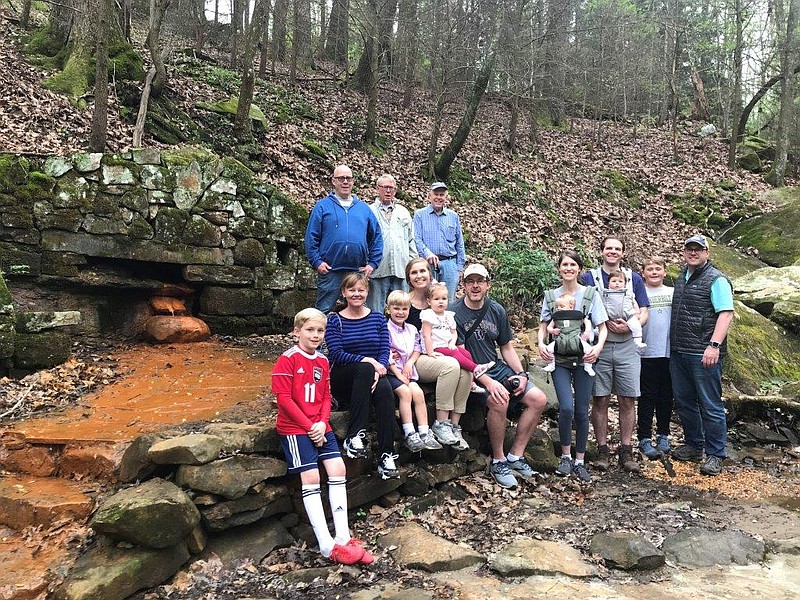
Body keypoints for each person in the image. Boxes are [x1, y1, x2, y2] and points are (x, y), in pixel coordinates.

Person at [272, 308, 375, 565]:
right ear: (297, 332)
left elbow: (326, 397)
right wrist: (309, 426)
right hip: (296, 428)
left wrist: (321, 422)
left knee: (338, 467)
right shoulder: (287, 359)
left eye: (320, 330)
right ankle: (326, 545)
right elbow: (284, 400)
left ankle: (342, 536)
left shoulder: (322, 361)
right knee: (311, 476)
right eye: (310, 330)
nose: (316, 335)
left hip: (320, 425)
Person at [453, 263, 548, 489]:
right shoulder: (453, 312)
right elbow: (458, 354)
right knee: (499, 399)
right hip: (469, 373)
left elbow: (506, 347)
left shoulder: (497, 310)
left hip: (496, 367)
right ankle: (499, 460)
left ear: (488, 285)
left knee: (539, 399)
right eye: (470, 281)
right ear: (464, 285)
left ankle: (516, 455)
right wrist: (487, 381)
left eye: (480, 281)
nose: (475, 286)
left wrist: (521, 374)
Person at [581, 236, 650, 473]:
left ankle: (626, 449)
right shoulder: (589, 278)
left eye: (617, 249)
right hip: (600, 345)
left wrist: (630, 326)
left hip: (628, 345)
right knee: (599, 398)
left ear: (623, 253)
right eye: (609, 248)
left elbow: (644, 311)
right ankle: (602, 449)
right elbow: (582, 308)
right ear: (601, 251)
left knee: (627, 398)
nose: (613, 252)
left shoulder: (635, 278)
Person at [538, 251, 608, 483]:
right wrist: (541, 344)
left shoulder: (590, 294)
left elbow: (602, 326)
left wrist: (597, 348)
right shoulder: (550, 296)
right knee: (566, 408)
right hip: (558, 359)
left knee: (581, 410)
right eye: (564, 264)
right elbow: (544, 326)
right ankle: (566, 457)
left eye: (573, 264)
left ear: (579, 269)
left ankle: (580, 460)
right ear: (559, 268)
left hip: (584, 358)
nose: (568, 268)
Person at [670, 235, 734, 476]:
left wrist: (714, 345)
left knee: (710, 404)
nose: (693, 253)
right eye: (689, 249)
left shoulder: (716, 279)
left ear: (707, 252)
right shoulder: (681, 277)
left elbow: (726, 314)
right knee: (685, 401)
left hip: (704, 352)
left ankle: (716, 454)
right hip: (679, 351)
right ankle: (694, 445)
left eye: (698, 249)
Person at [324, 273, 399, 480]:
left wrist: (378, 367)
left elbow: (384, 350)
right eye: (352, 290)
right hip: (343, 376)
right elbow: (337, 354)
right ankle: (354, 435)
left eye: (361, 290)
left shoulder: (377, 318)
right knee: (365, 369)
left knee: (385, 391)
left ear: (367, 292)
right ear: (344, 293)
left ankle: (387, 455)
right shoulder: (334, 320)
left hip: (371, 375)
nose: (356, 294)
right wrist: (370, 363)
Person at [405, 257, 473, 449]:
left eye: (423, 271)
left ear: (430, 274)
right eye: (414, 272)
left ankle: (454, 426)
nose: (419, 276)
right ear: (409, 278)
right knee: (452, 366)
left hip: (438, 354)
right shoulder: (403, 302)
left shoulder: (438, 300)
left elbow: (451, 333)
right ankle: (440, 423)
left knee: (465, 371)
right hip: (414, 358)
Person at [305, 165, 383, 313]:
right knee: (324, 310)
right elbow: (311, 237)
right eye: (341, 178)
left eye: (349, 178)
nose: (345, 182)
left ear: (353, 182)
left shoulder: (364, 209)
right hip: (330, 270)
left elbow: (377, 237)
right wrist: (317, 262)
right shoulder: (322, 207)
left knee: (357, 309)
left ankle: (355, 336)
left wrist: (372, 263)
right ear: (333, 181)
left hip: (357, 270)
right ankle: (322, 337)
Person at [385, 290, 443, 452]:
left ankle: (424, 432)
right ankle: (409, 432)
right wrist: (399, 374)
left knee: (418, 393)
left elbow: (417, 349)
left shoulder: (411, 329)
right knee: (405, 393)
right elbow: (385, 353)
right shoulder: (385, 329)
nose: (400, 312)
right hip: (392, 373)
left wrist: (410, 364)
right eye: (396, 308)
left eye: (404, 309)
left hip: (408, 371)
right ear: (389, 309)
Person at [420, 282, 495, 392]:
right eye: (436, 299)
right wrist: (430, 352)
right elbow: (426, 336)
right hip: (435, 346)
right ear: (429, 301)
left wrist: (452, 342)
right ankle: (476, 369)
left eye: (444, 299)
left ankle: (471, 383)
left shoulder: (448, 316)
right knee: (454, 353)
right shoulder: (428, 315)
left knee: (466, 353)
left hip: (446, 345)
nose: (441, 302)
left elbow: (454, 333)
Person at [638, 256, 674, 459]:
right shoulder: (638, 293)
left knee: (666, 396)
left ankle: (663, 434)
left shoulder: (672, 292)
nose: (654, 272)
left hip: (669, 351)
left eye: (657, 269)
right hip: (646, 352)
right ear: (643, 272)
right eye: (649, 269)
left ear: (665, 272)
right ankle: (644, 437)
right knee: (647, 396)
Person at [367, 174, 417, 313]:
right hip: (377, 269)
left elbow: (410, 240)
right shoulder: (369, 211)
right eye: (385, 187)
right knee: (375, 310)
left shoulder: (403, 212)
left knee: (401, 310)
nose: (388, 191)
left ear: (395, 191)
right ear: (378, 189)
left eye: (391, 188)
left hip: (401, 269)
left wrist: (413, 265)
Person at [413, 182, 466, 302]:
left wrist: (459, 268)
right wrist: (427, 254)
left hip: (450, 264)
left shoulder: (453, 216)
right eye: (436, 194)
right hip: (427, 265)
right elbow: (416, 238)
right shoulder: (419, 215)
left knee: (448, 301)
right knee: (427, 299)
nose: (439, 197)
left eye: (442, 194)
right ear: (429, 196)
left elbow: (460, 243)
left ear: (446, 197)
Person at [542, 292, 597, 377]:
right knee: (548, 349)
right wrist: (553, 331)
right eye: (557, 307)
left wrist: (587, 332)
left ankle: (588, 366)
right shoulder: (556, 316)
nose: (559, 308)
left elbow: (587, 322)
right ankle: (551, 364)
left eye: (562, 306)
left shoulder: (577, 315)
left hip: (576, 338)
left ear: (571, 307)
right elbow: (548, 327)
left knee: (589, 350)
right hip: (561, 339)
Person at [605, 270, 646, 349]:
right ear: (608, 283)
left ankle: (638, 340)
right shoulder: (606, 294)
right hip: (609, 317)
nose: (617, 283)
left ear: (625, 284)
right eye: (614, 281)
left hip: (628, 316)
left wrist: (637, 313)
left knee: (636, 325)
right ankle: (597, 332)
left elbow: (634, 303)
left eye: (620, 281)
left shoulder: (628, 294)